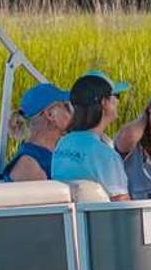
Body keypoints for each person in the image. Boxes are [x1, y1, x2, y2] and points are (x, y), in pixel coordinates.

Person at [49, 71, 132, 201]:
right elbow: (121, 204)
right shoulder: (104, 154)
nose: (118, 101)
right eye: (116, 96)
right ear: (104, 102)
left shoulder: (62, 143)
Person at [1, 82, 70, 182]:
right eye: (66, 106)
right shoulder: (29, 165)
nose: (72, 113)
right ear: (50, 114)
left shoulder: (44, 156)